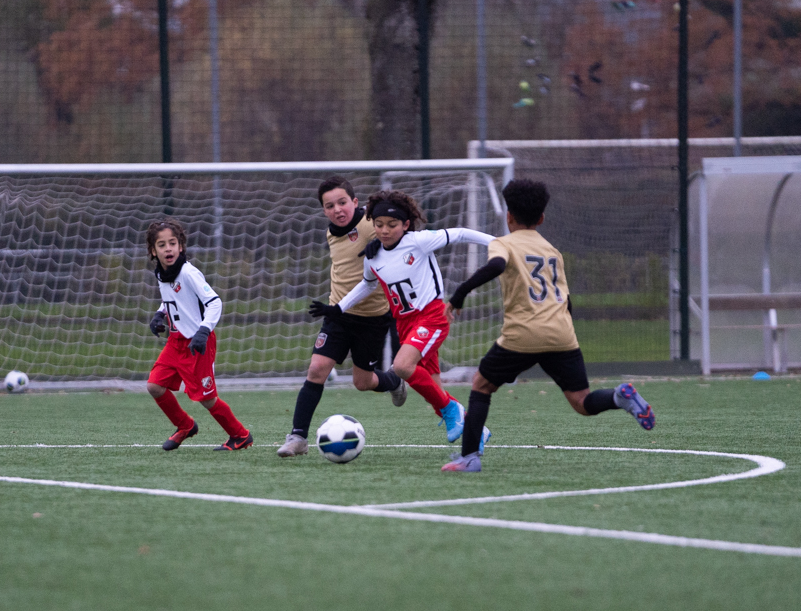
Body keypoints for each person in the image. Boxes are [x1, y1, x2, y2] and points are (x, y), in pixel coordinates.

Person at [442, 178, 655, 472]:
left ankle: (468, 459)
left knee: (481, 385)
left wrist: (460, 294)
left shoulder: (503, 244)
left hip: (523, 335)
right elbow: (566, 301)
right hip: (562, 334)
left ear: (509, 216)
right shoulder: (552, 250)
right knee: (582, 402)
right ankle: (620, 396)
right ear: (541, 218)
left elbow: (496, 266)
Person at [310, 189, 495, 444]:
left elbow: (461, 233)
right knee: (433, 388)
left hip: (431, 316)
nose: (385, 230)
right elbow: (367, 284)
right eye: (379, 225)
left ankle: (452, 410)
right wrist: (338, 308)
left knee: (401, 367)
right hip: (405, 324)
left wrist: (499, 243)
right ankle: (475, 433)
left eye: (392, 225)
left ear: (406, 224)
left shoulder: (419, 241)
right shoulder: (373, 256)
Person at [277, 176, 406, 458]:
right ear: (324, 210)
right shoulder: (331, 231)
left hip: (372, 318)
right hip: (337, 313)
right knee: (316, 370)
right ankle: (297, 437)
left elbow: (403, 239)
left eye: (342, 202)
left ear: (355, 202)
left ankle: (394, 382)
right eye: (330, 205)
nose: (337, 209)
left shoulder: (373, 223)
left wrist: (382, 248)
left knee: (362, 382)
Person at [145, 219, 253, 451]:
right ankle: (185, 426)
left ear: (181, 246)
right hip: (176, 343)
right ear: (154, 251)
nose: (168, 249)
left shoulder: (188, 273)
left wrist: (203, 331)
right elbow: (170, 301)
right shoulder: (162, 274)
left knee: (206, 399)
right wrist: (159, 314)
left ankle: (241, 435)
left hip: (197, 343)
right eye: (162, 245)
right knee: (154, 385)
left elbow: (214, 303)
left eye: (172, 243)